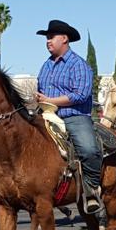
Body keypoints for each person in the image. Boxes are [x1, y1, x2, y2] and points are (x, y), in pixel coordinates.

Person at [35, 20, 102, 214]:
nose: (48, 41)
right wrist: (39, 98)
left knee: (89, 150)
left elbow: (81, 94)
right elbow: (41, 90)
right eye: (47, 38)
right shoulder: (46, 65)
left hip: (74, 116)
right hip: (46, 114)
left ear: (64, 39)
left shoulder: (78, 64)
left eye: (51, 37)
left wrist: (51, 100)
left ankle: (91, 190)